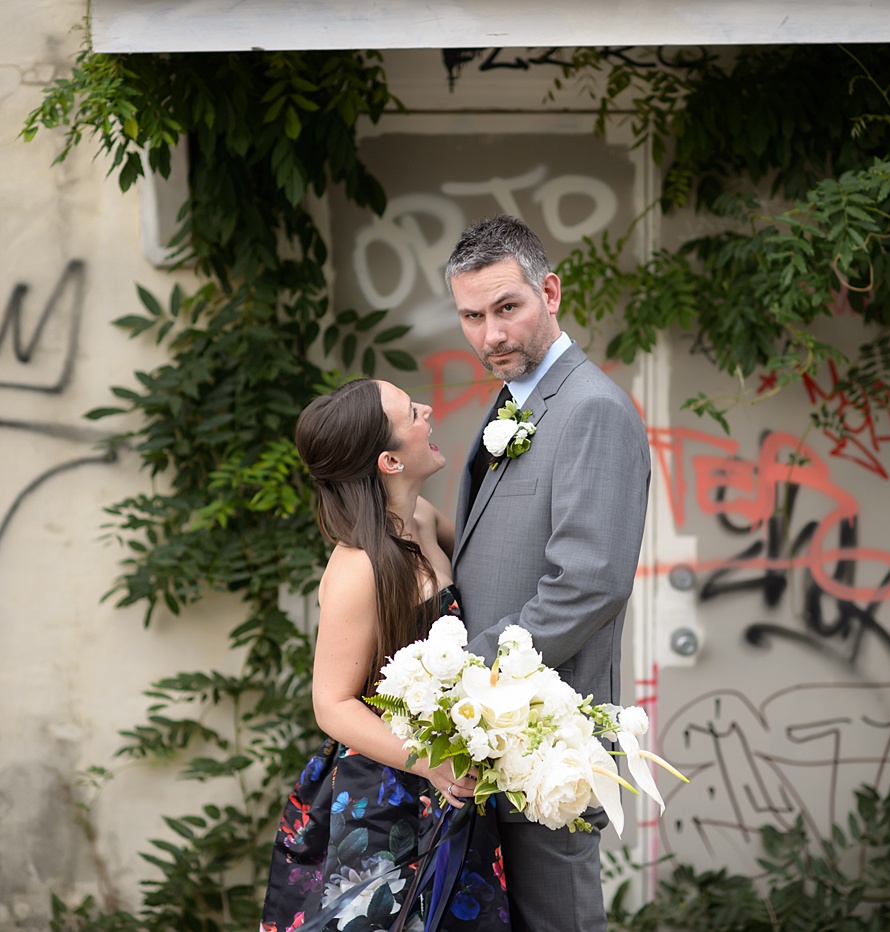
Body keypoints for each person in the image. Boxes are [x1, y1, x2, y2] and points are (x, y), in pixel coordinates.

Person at [444, 215, 651, 932]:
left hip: (546, 739)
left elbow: (589, 582)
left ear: (550, 292)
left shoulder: (591, 409)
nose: (491, 335)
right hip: (495, 737)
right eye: (472, 316)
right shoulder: (514, 404)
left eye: (508, 308)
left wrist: (463, 675)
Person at [260, 378, 510, 932]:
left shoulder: (419, 517)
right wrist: (434, 763)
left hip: (448, 777)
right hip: (387, 792)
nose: (427, 410)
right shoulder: (358, 566)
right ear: (390, 460)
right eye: (411, 412)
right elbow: (333, 704)